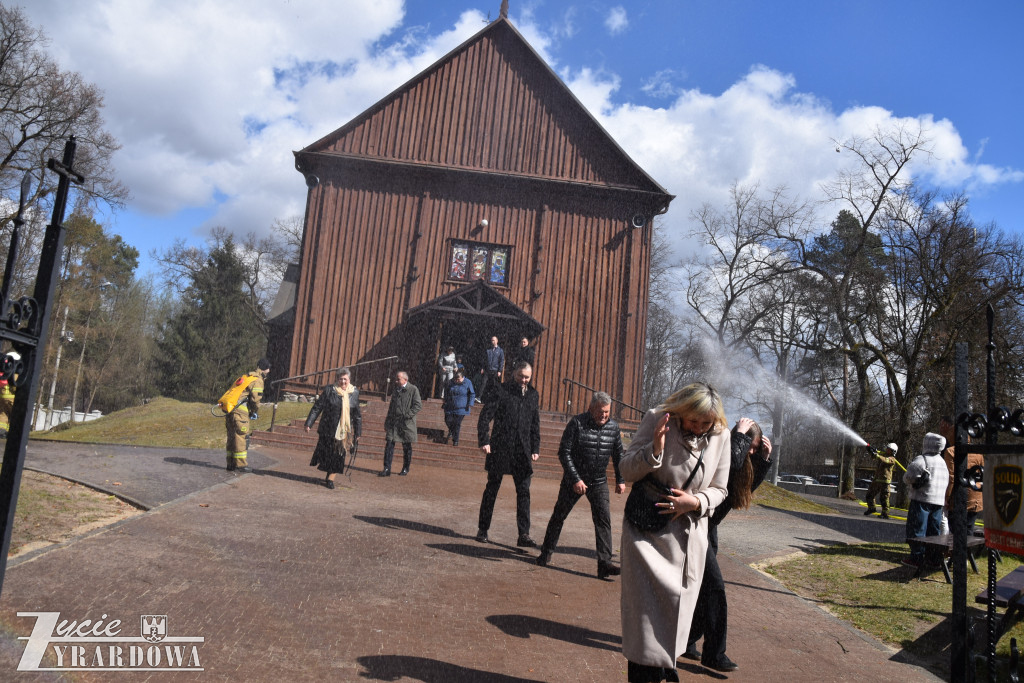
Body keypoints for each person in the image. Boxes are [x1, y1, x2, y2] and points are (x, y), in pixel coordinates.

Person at [619, 382, 731, 683]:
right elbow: (626, 470)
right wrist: (654, 449)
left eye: (706, 423)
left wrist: (694, 501)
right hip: (646, 536)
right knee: (645, 625)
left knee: (674, 619)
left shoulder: (721, 435)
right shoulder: (658, 417)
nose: (698, 428)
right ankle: (646, 675)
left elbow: (721, 489)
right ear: (682, 410)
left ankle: (664, 669)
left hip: (688, 539)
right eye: (693, 420)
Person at [684, 417, 772, 673]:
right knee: (715, 589)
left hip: (708, 530)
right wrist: (741, 435)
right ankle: (714, 653)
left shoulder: (742, 457)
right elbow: (730, 464)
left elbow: (743, 488)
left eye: (755, 447)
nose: (751, 451)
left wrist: (764, 461)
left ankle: (687, 640)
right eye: (750, 445)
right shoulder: (722, 448)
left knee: (704, 591)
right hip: (694, 524)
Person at [536, 391, 625, 579]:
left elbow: (618, 455)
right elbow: (564, 452)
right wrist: (575, 478)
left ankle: (604, 564)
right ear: (591, 408)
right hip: (574, 480)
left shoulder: (614, 428)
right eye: (600, 411)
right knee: (559, 516)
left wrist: (621, 479)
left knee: (603, 521)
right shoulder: (576, 423)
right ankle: (546, 552)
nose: (603, 415)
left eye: (607, 412)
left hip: (599, 481)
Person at [475, 362, 540, 547]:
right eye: (521, 376)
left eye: (527, 377)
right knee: (492, 489)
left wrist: (536, 448)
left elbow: (535, 423)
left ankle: (524, 535)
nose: (524, 380)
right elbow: (485, 416)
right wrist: (484, 440)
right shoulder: (501, 390)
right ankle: (483, 529)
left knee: (524, 492)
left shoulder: (533, 394)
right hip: (500, 448)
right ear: (513, 374)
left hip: (522, 451)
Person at [304, 368, 362, 489]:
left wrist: (358, 432)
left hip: (343, 430)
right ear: (337, 379)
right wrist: (309, 423)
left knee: (338, 455)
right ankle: (328, 472)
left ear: (349, 380)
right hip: (328, 427)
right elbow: (317, 407)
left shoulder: (354, 393)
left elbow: (357, 415)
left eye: (345, 379)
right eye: (340, 379)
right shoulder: (330, 390)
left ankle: (331, 478)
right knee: (327, 453)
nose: (343, 381)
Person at [902, 432, 949, 568]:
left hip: (921, 500)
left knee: (917, 530)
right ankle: (933, 559)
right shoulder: (942, 462)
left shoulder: (922, 459)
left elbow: (908, 477)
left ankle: (916, 558)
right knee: (933, 532)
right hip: (938, 503)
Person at [224, 358, 270, 472]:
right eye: (268, 369)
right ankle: (241, 465)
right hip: (240, 412)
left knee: (232, 436)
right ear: (265, 369)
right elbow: (255, 400)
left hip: (230, 409)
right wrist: (254, 412)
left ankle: (231, 463)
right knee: (241, 436)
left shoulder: (246, 376)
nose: (269, 371)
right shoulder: (258, 380)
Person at [939, 415, 983, 533]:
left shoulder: (951, 451)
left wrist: (947, 498)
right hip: (976, 498)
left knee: (956, 534)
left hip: (959, 498)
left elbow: (952, 477)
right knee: (968, 530)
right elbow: (981, 474)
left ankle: (956, 551)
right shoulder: (977, 452)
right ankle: (967, 551)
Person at [380, 371, 422, 477]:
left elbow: (418, 405)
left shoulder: (413, 389)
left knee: (407, 446)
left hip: (406, 424)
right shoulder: (396, 390)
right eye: (396, 379)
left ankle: (405, 468)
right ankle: (386, 468)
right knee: (389, 444)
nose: (396, 381)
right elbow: (391, 407)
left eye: (398, 379)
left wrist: (407, 415)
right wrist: (387, 422)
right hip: (394, 423)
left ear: (405, 380)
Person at [864, 442, 898, 518]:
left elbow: (885, 460)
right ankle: (872, 508)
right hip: (877, 480)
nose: (887, 450)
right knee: (869, 495)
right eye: (887, 448)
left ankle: (885, 513)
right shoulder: (883, 455)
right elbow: (875, 457)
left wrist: (877, 455)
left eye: (889, 449)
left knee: (884, 498)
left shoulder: (892, 459)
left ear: (893, 452)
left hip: (885, 481)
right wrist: (870, 451)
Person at [442, 369, 475, 446]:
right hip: (450, 406)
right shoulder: (451, 382)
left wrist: (470, 403)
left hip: (462, 408)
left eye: (458, 379)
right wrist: (445, 399)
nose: (456, 381)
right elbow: (446, 391)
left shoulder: (468, 382)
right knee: (448, 420)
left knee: (457, 423)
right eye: (455, 379)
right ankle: (452, 431)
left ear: (463, 377)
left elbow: (472, 394)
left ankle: (455, 440)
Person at [476, 335, 504, 403]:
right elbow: (484, 359)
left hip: (495, 370)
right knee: (483, 383)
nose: (493, 342)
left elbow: (501, 361)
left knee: (493, 385)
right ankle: (479, 397)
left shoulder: (500, 351)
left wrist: (500, 370)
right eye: (492, 340)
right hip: (487, 370)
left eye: (494, 340)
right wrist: (482, 367)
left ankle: (492, 399)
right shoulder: (488, 350)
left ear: (497, 341)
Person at [0, 351, 20, 438]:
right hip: (12, 399)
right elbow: (16, 386)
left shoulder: (4, 372)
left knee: (3, 414)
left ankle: (2, 431)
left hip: (2, 398)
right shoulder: (14, 374)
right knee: (14, 416)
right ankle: (13, 434)